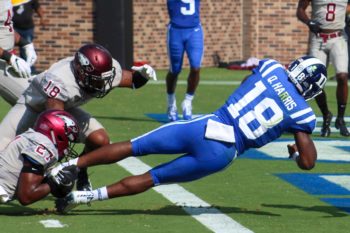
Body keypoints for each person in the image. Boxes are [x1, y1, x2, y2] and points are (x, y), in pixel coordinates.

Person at [53, 56, 327, 213]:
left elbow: (247, 83)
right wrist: (294, 152)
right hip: (223, 152)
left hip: (207, 125)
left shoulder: (272, 68)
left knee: (134, 146)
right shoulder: (303, 115)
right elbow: (308, 162)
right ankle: (81, 198)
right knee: (153, 178)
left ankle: (69, 166)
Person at [0, 43, 157, 191]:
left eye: (104, 79)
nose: (103, 85)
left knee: (100, 140)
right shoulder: (60, 80)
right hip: (33, 106)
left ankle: (79, 170)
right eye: (97, 81)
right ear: (81, 73)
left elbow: (131, 80)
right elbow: (54, 124)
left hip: (65, 107)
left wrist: (142, 76)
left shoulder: (104, 72)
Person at [0, 109, 80, 205]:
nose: (68, 145)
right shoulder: (46, 146)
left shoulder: (32, 136)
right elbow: (26, 197)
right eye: (68, 138)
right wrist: (55, 183)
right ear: (58, 134)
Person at [296, 0, 350, 137]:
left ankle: (341, 118)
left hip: (338, 37)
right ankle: (326, 115)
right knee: (315, 81)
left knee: (343, 76)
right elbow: (300, 10)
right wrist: (309, 22)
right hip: (318, 38)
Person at [165, 0, 203, 121]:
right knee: (175, 70)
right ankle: (171, 104)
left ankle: (187, 102)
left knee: (196, 67)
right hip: (176, 31)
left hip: (194, 30)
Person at [0, 0, 37, 105]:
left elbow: (5, 27)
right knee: (33, 101)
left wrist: (25, 43)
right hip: (3, 61)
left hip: (6, 61)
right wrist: (8, 57)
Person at [12, 0, 46, 73]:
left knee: (26, 50)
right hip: (13, 29)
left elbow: (38, 8)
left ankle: (29, 70)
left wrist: (42, 18)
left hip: (27, 29)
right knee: (10, 48)